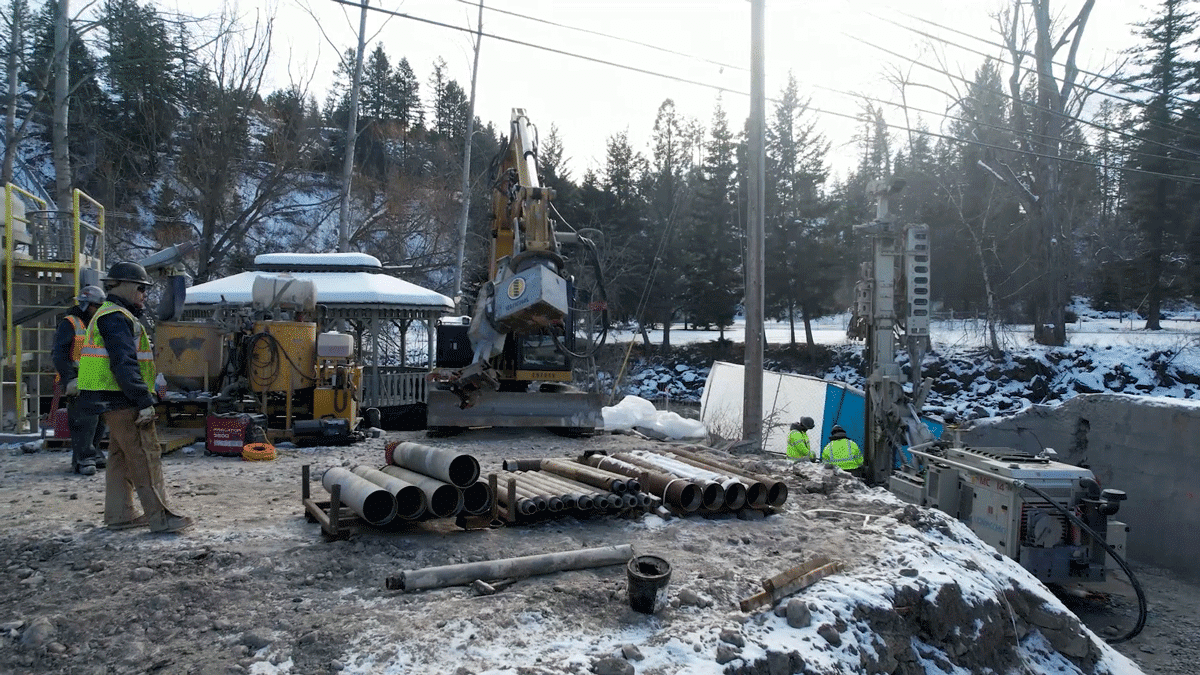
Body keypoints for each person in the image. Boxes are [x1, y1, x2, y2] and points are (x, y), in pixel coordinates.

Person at [77, 262, 193, 533]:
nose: (143, 294)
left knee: (119, 459)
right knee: (144, 456)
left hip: (110, 399)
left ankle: (120, 515)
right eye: (141, 288)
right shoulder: (117, 317)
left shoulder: (109, 315)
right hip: (124, 399)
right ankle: (161, 517)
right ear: (123, 286)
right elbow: (124, 363)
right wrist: (144, 400)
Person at [52, 285, 108, 475]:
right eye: (96, 306)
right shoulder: (71, 323)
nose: (99, 310)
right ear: (87, 305)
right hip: (77, 379)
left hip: (95, 378)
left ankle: (93, 453)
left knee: (99, 419)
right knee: (84, 421)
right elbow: (59, 354)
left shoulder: (97, 324)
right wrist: (68, 379)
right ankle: (84, 458)